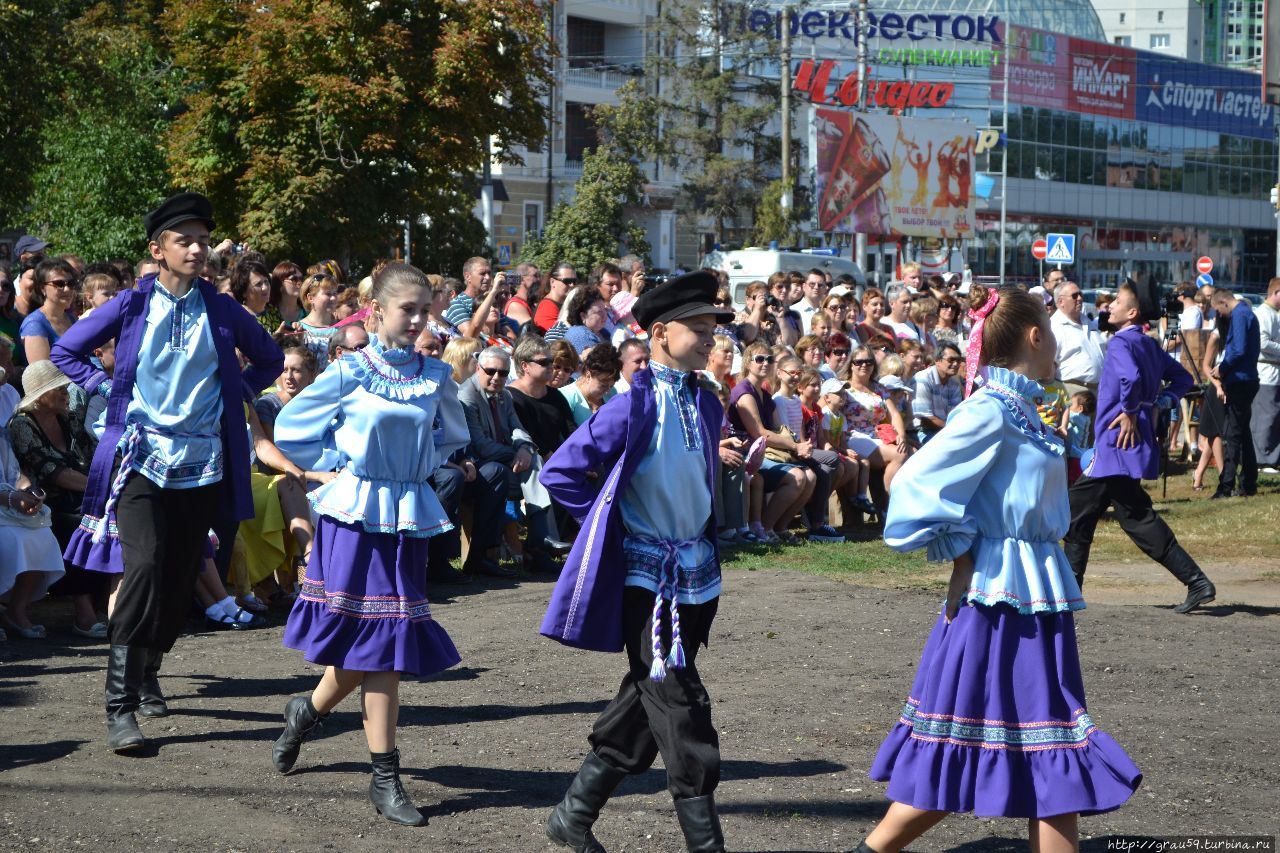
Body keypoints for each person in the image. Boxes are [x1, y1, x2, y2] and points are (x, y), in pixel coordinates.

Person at [858, 283, 1141, 853]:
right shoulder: (990, 409)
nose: (1059, 344)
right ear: (1036, 336)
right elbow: (913, 485)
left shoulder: (1023, 409)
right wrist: (963, 553)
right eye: (1053, 332)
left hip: (1032, 598)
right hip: (999, 602)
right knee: (1008, 746)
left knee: (1031, 748)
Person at [50, 191, 284, 752]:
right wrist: (108, 391)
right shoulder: (131, 304)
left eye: (204, 240)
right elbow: (66, 352)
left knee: (180, 579)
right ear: (158, 250)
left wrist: (238, 397)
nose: (199, 249)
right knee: (145, 566)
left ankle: (149, 667)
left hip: (204, 464)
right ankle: (120, 706)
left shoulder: (223, 308)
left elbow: (271, 360)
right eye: (186, 241)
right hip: (140, 458)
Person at [540, 271, 734, 853]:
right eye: (697, 328)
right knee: (682, 705)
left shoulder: (705, 399)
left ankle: (572, 815)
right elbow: (562, 473)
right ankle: (707, 845)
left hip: (695, 579)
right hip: (647, 582)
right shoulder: (632, 406)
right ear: (658, 332)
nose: (709, 339)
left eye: (712, 329)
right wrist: (610, 532)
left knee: (644, 701)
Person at [269, 262, 469, 825]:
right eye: (408, 309)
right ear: (377, 311)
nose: (418, 320)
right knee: (376, 643)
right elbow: (292, 427)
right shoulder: (349, 369)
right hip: (354, 518)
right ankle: (385, 777)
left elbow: (452, 435)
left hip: (404, 516)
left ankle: (304, 714)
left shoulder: (435, 376)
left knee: (378, 645)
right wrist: (333, 469)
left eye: (425, 310)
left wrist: (416, 470)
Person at [1062, 280, 1217, 612]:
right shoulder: (1147, 344)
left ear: (1131, 312)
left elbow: (1130, 379)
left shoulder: (1121, 343)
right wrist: (1160, 400)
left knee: (1079, 515)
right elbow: (1184, 379)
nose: (1109, 306)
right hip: (1125, 445)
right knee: (1135, 518)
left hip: (1115, 443)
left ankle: (1068, 594)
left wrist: (1131, 411)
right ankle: (1197, 582)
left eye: (1116, 301)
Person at [456, 345, 540, 578]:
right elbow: (481, 446)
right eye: (491, 371)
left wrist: (524, 448)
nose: (497, 377)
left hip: (500, 461)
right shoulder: (467, 395)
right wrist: (515, 453)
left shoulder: (505, 395)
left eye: (503, 373)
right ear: (477, 368)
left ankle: (541, 542)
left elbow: (517, 428)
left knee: (536, 462)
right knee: (497, 472)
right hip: (472, 463)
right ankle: (481, 556)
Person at [0, 369, 66, 642]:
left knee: (41, 536)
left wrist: (29, 491)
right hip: (3, 505)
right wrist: (14, 498)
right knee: (13, 539)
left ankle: (16, 609)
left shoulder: (0, 435)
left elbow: (15, 473)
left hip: (6, 503)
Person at [728, 342, 815, 543]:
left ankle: (780, 527)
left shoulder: (765, 394)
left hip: (764, 453)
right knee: (797, 477)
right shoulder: (744, 392)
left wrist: (801, 445)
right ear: (748, 363)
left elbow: (778, 429)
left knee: (810, 477)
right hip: (745, 453)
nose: (765, 363)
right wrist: (794, 446)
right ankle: (765, 529)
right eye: (759, 359)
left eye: (769, 359)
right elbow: (759, 433)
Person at [1209, 285, 1261, 498]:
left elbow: (1238, 350)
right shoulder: (1247, 314)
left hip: (1239, 380)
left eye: (1219, 310)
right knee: (1243, 433)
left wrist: (1222, 368)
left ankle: (1226, 485)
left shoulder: (1239, 315)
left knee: (1233, 434)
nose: (1219, 315)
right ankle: (1248, 481)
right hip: (1246, 379)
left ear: (1224, 302)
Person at [254, 342, 318, 440]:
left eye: (296, 370)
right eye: (284, 370)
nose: (289, 376)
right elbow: (270, 446)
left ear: (312, 375)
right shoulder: (268, 405)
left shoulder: (317, 405)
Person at [1050, 281, 1104, 396]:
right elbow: (1048, 367)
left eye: (1080, 294)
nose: (1079, 298)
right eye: (1074, 296)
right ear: (1061, 301)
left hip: (1098, 391)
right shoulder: (1054, 327)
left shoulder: (1087, 321)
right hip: (1073, 392)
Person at [20, 258, 79, 363]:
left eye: (71, 283)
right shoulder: (34, 324)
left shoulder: (72, 318)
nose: (67, 289)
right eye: (59, 284)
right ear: (42, 288)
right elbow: (43, 375)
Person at [911, 343, 963, 444]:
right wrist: (953, 430)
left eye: (958, 360)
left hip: (944, 430)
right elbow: (926, 420)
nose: (956, 364)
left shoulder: (954, 383)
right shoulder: (923, 379)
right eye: (951, 360)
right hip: (921, 432)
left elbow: (956, 415)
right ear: (937, 361)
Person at [1253, 277, 1280, 472]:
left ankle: (1272, 457)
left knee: (1274, 415)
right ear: (1276, 292)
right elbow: (1262, 342)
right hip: (1266, 372)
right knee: (1266, 417)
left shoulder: (1274, 313)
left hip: (1274, 371)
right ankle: (1263, 460)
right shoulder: (1263, 313)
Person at [560, 344, 621, 425]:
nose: (607, 391)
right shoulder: (566, 397)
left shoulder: (612, 393)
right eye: (603, 385)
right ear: (588, 376)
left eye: (611, 386)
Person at [296, 272, 339, 365]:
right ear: (311, 298)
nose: (333, 298)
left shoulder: (342, 328)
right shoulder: (298, 329)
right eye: (328, 294)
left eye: (335, 293)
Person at [444, 256, 492, 337]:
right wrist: (493, 292)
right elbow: (470, 336)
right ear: (468, 277)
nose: (487, 277)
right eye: (482, 273)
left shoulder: (491, 303)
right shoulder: (457, 304)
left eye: (489, 273)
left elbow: (510, 334)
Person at [564, 289, 609, 356]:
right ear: (583, 316)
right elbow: (598, 363)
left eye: (605, 310)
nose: (605, 315)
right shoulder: (580, 335)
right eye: (599, 312)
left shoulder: (603, 332)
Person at [535, 263, 577, 333]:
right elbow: (559, 336)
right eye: (567, 281)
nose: (572, 285)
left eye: (574, 281)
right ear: (552, 282)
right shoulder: (546, 307)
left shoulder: (568, 304)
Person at [503, 262, 540, 328]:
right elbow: (532, 330)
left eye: (539, 276)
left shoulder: (529, 303)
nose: (539, 280)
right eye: (535, 276)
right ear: (522, 279)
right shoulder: (515, 305)